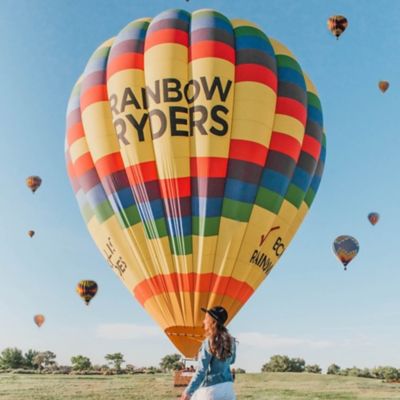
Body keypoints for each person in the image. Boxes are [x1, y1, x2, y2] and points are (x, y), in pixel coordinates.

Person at [180, 306, 236, 400]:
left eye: (206, 318)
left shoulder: (209, 341)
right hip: (228, 389)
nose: (203, 321)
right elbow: (232, 361)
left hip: (211, 390)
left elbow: (202, 370)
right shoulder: (231, 341)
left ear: (212, 321)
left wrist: (188, 392)